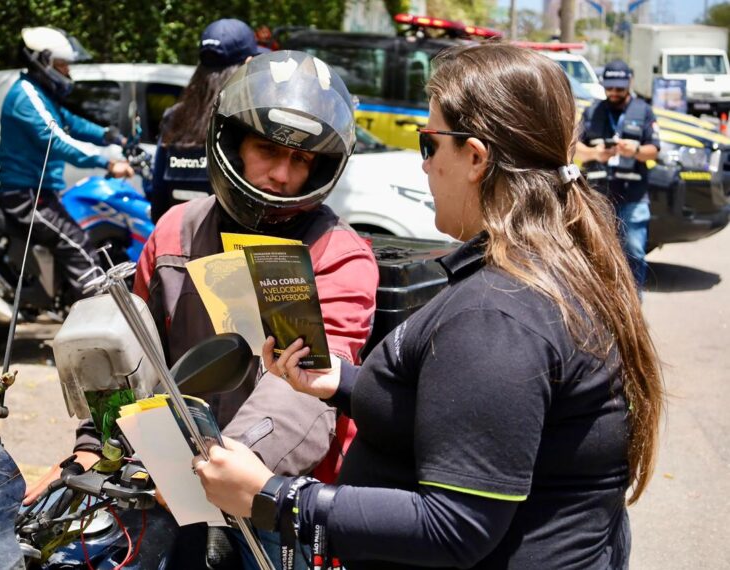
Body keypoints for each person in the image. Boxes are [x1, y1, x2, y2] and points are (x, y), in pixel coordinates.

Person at [195, 43, 665, 569]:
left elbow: (455, 526)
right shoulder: (538, 275)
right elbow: (464, 409)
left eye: (429, 143)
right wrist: (344, 384)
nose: (423, 166)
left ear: (475, 158)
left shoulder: (498, 314)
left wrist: (276, 497)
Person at [27, 50, 378, 569]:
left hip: (276, 505)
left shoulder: (336, 256)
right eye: (267, 149)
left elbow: (304, 389)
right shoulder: (176, 233)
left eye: (301, 160)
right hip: (170, 490)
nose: (282, 175)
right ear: (233, 142)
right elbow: (131, 359)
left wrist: (226, 467)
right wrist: (90, 448)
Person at [0, 26, 134, 300]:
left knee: (78, 238)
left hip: (40, 193)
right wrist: (107, 163)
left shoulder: (40, 93)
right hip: (27, 197)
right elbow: (57, 140)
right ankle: (97, 314)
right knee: (79, 248)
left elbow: (72, 123)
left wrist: (110, 136)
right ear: (43, 62)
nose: (67, 71)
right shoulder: (27, 95)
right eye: (62, 65)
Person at [146, 18, 267, 223]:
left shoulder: (173, 119)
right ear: (247, 63)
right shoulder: (250, 123)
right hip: (233, 242)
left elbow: (158, 204)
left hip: (176, 239)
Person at [575, 59, 660, 293]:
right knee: (596, 253)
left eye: (619, 88)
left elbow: (654, 150)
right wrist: (595, 153)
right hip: (599, 196)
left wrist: (636, 151)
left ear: (629, 83)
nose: (613, 92)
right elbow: (575, 147)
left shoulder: (643, 110)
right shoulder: (593, 111)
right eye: (609, 87)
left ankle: (633, 303)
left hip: (633, 196)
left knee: (634, 252)